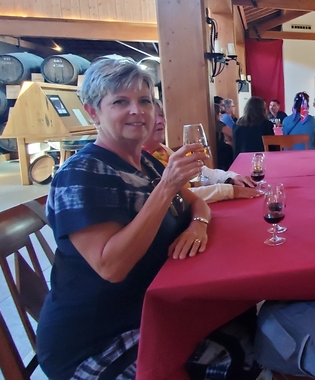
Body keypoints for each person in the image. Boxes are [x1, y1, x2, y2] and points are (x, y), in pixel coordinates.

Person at [36, 58, 211, 380]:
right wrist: (167, 187)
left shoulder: (146, 161)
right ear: (93, 112)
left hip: (151, 311)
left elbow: (197, 201)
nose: (138, 111)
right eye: (120, 102)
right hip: (98, 341)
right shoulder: (82, 174)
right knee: (235, 349)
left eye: (145, 101)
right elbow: (112, 267)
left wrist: (197, 226)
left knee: (245, 324)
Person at [144, 100, 259, 203]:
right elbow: (178, 196)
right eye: (153, 117)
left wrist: (231, 177)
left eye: (161, 115)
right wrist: (229, 190)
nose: (160, 121)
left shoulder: (163, 150)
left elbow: (199, 172)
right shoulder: (140, 159)